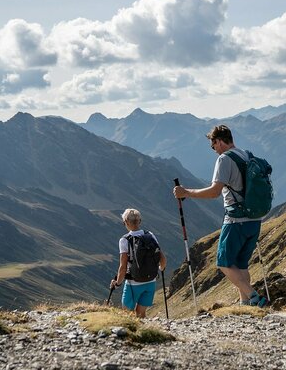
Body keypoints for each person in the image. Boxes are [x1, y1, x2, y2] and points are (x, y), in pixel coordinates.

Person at [172, 125, 267, 307]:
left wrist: (187, 192)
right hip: (254, 219)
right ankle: (244, 304)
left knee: (223, 263)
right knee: (241, 265)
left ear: (219, 141)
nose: (213, 149)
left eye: (213, 145)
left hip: (236, 220)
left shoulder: (225, 159)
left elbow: (215, 191)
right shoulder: (247, 155)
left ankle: (254, 297)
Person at [110, 208, 166, 318]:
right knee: (141, 313)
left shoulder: (125, 240)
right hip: (151, 281)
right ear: (139, 221)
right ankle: (144, 333)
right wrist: (161, 268)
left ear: (125, 222)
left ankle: (132, 334)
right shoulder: (150, 235)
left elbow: (123, 267)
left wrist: (117, 283)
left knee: (127, 313)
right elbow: (162, 257)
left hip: (133, 283)